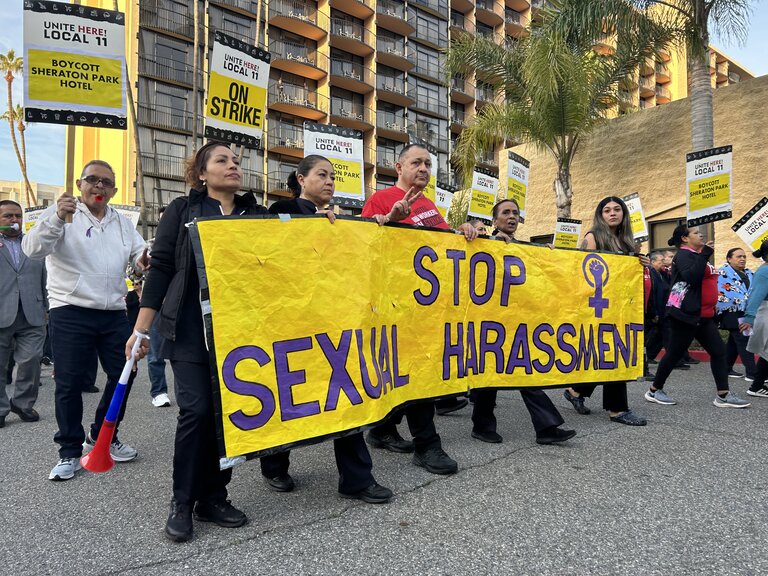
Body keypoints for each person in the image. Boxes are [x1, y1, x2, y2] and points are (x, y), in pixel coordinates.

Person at [128, 141, 266, 542]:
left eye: (237, 161)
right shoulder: (182, 210)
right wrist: (140, 330)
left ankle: (214, 497)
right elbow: (162, 270)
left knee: (227, 418)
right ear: (202, 173)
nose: (233, 166)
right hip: (188, 331)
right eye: (222, 160)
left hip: (238, 334)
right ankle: (182, 502)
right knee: (196, 413)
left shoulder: (255, 215)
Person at [262, 154, 393, 504]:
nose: (330, 181)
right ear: (301, 179)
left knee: (344, 396)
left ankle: (356, 478)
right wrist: (313, 226)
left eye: (333, 176)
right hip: (291, 324)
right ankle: (274, 464)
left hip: (334, 323)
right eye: (322, 174)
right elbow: (273, 255)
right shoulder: (279, 210)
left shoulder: (340, 221)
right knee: (289, 397)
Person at [23, 161, 147, 480]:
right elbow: (33, 249)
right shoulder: (62, 214)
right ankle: (69, 450)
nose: (99, 187)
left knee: (125, 372)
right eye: (92, 180)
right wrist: (55, 218)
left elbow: (139, 254)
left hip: (113, 310)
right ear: (80, 184)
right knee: (69, 382)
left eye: (106, 183)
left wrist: (145, 259)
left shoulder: (121, 221)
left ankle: (103, 434)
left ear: (114, 191)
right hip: (70, 309)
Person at [361, 142, 478, 474]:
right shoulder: (379, 200)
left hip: (426, 307)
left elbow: (444, 245)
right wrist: (391, 219)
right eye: (417, 162)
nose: (424, 168)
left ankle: (382, 429)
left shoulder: (428, 204)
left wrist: (464, 232)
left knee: (409, 375)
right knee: (415, 376)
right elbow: (365, 245)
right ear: (399, 168)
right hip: (395, 308)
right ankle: (428, 446)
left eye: (428, 163)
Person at [471, 199, 576, 445]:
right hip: (491, 321)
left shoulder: (525, 248)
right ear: (494, 221)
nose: (511, 217)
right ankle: (482, 426)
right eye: (505, 213)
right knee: (490, 375)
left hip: (519, 323)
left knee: (526, 374)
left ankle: (546, 427)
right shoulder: (483, 245)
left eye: (515, 213)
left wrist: (547, 258)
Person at [562, 196, 647, 425]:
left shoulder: (626, 241)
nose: (612, 213)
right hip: (596, 306)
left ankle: (575, 391)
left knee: (605, 354)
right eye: (607, 210)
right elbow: (579, 269)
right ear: (600, 215)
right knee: (614, 354)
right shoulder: (593, 237)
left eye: (617, 209)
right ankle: (617, 409)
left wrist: (640, 263)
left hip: (619, 306)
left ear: (623, 214)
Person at [644, 225, 750, 408]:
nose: (700, 235)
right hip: (686, 315)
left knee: (718, 352)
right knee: (674, 353)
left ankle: (723, 395)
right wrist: (705, 254)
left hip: (704, 315)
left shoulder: (697, 255)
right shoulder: (684, 255)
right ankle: (654, 390)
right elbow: (692, 277)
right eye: (695, 233)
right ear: (685, 239)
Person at [0, 200, 47, 428]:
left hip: (32, 313)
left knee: (31, 361)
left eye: (17, 216)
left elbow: (46, 278)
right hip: (1, 313)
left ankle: (22, 404)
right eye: (8, 216)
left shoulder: (33, 245)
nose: (14, 220)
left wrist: (47, 308)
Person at [717, 247, 756, 383]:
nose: (742, 259)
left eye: (744, 257)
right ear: (729, 258)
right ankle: (752, 373)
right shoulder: (722, 273)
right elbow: (723, 293)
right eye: (738, 256)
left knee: (734, 342)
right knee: (744, 340)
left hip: (745, 311)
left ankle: (726, 368)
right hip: (732, 311)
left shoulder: (749, 273)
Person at [147, 206, 170, 408]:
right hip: (155, 307)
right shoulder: (149, 246)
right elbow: (133, 272)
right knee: (155, 353)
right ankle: (159, 391)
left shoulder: (186, 242)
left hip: (179, 306)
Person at [739, 240, 768, 397]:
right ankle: (756, 387)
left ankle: (757, 385)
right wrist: (749, 318)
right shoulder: (764, 271)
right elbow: (756, 295)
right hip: (765, 311)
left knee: (766, 352)